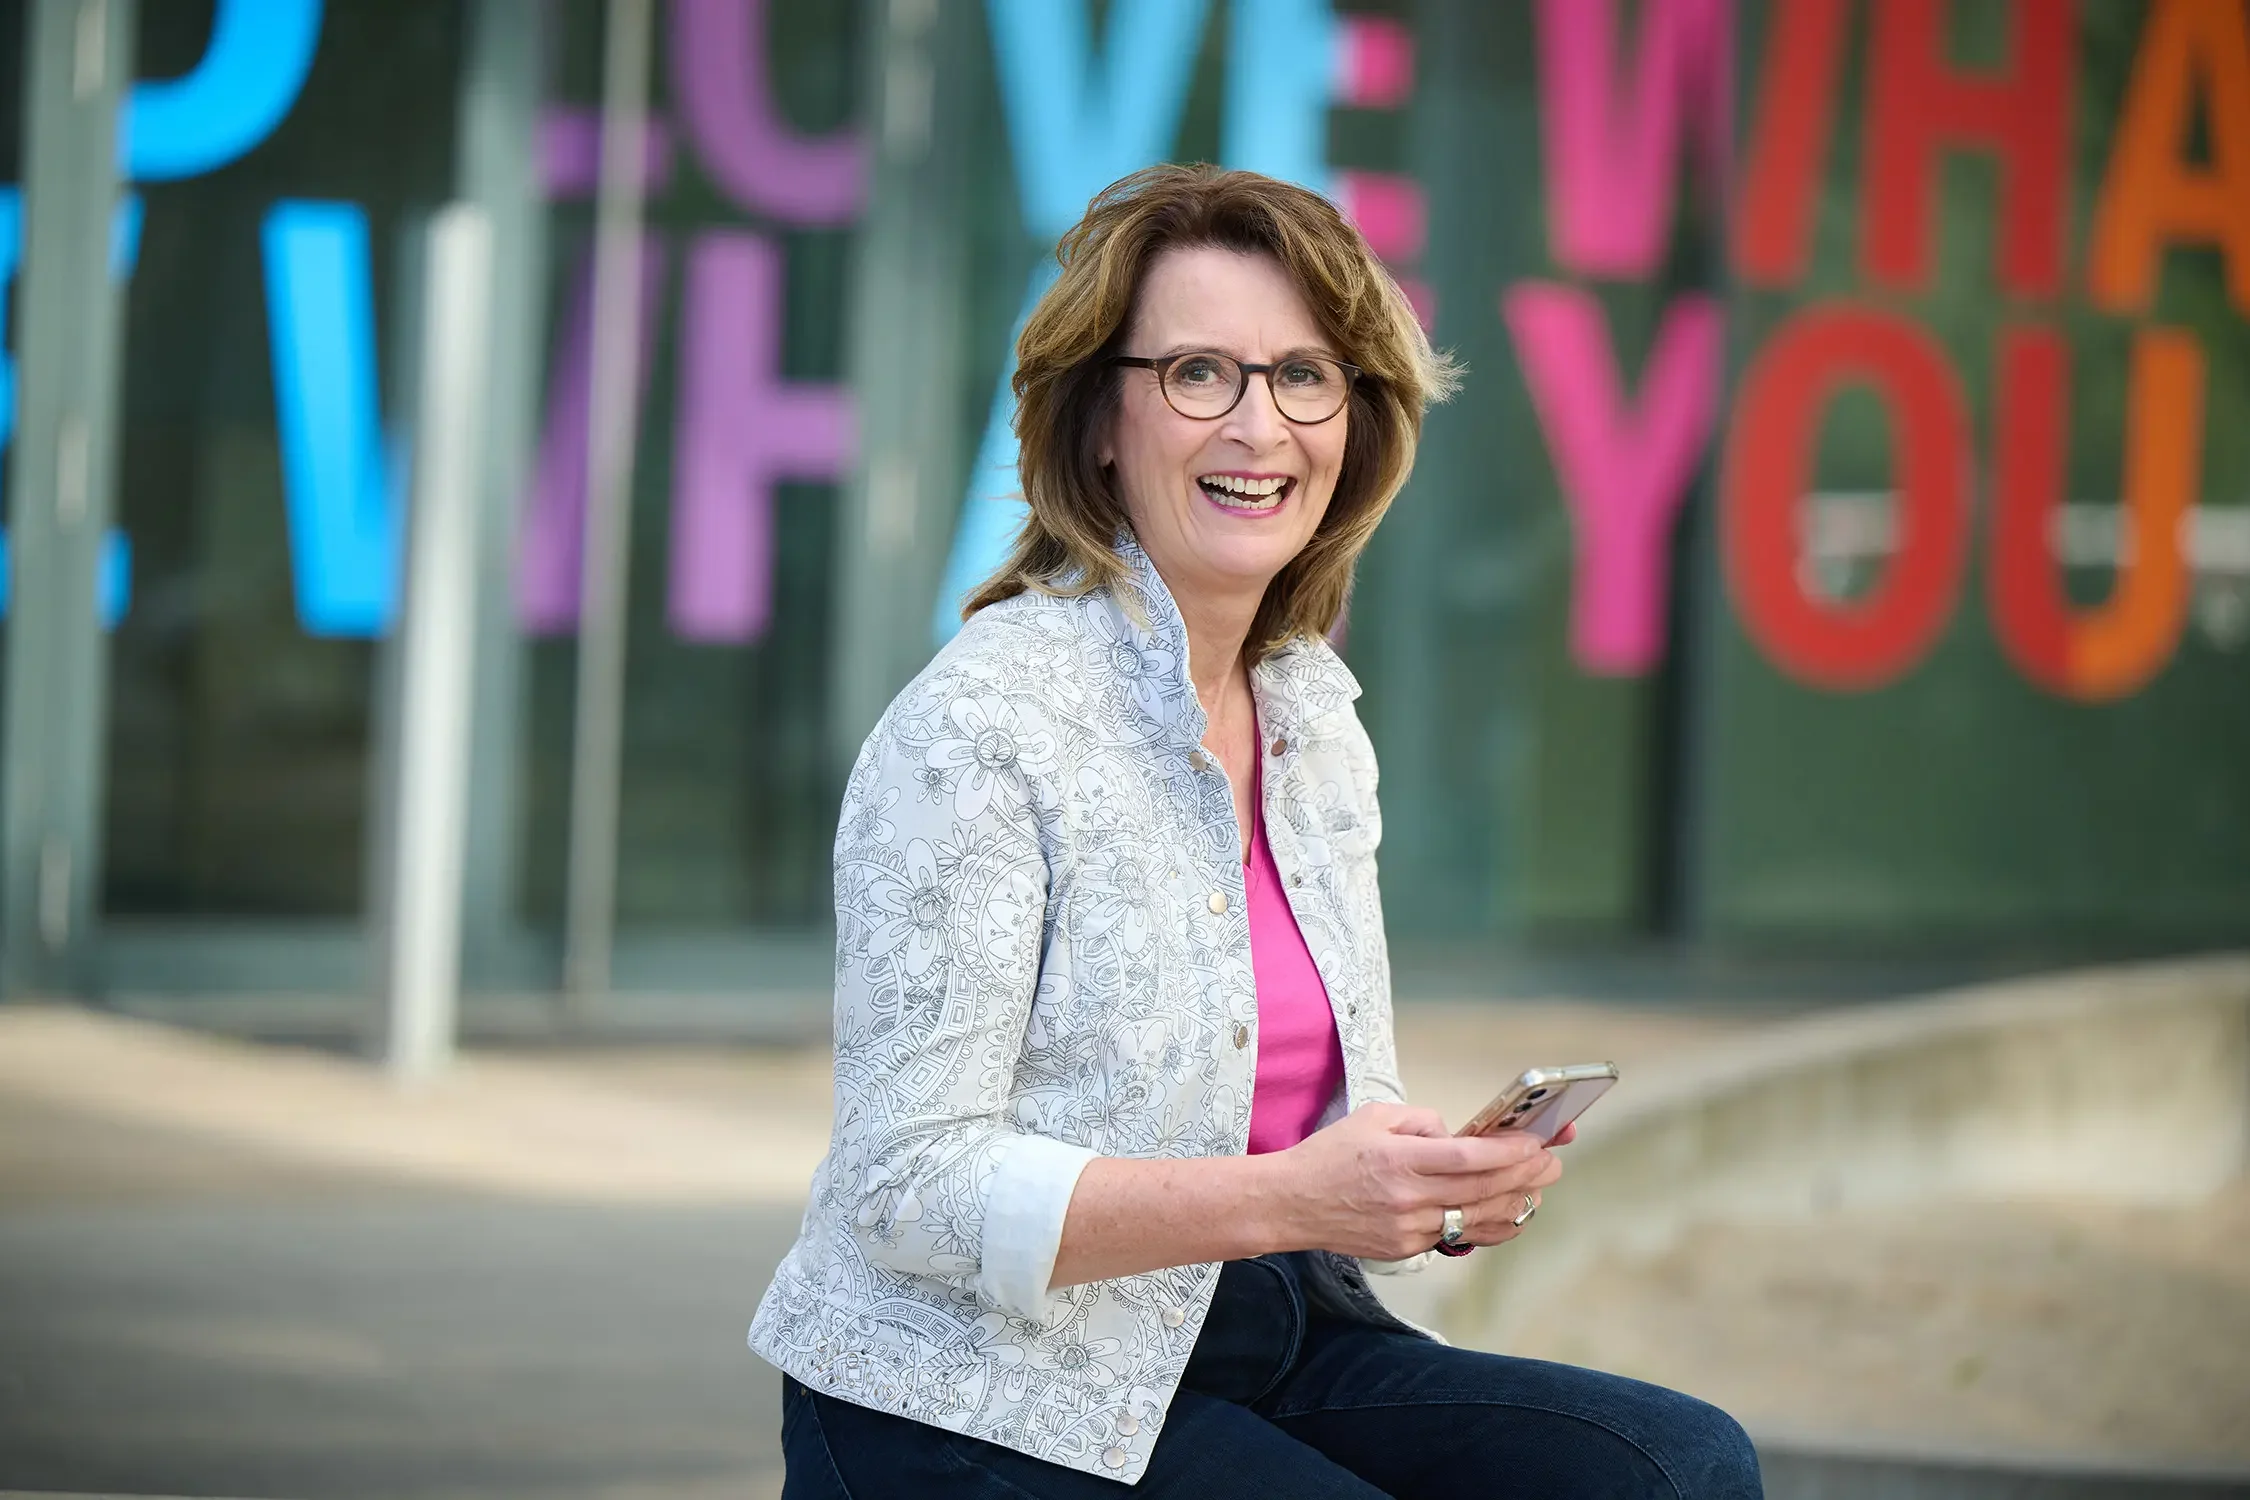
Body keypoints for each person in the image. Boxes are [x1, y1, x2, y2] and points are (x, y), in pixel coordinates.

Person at [752, 164, 1760, 1498]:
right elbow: (905, 1188)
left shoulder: (1310, 717)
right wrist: (1291, 1199)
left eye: (1301, 375)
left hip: (1264, 1331)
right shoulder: (978, 728)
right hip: (973, 1389)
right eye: (1197, 375)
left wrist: (1433, 1191)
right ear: (1101, 420)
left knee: (1677, 1467)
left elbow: (1333, 1111)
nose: (1258, 424)